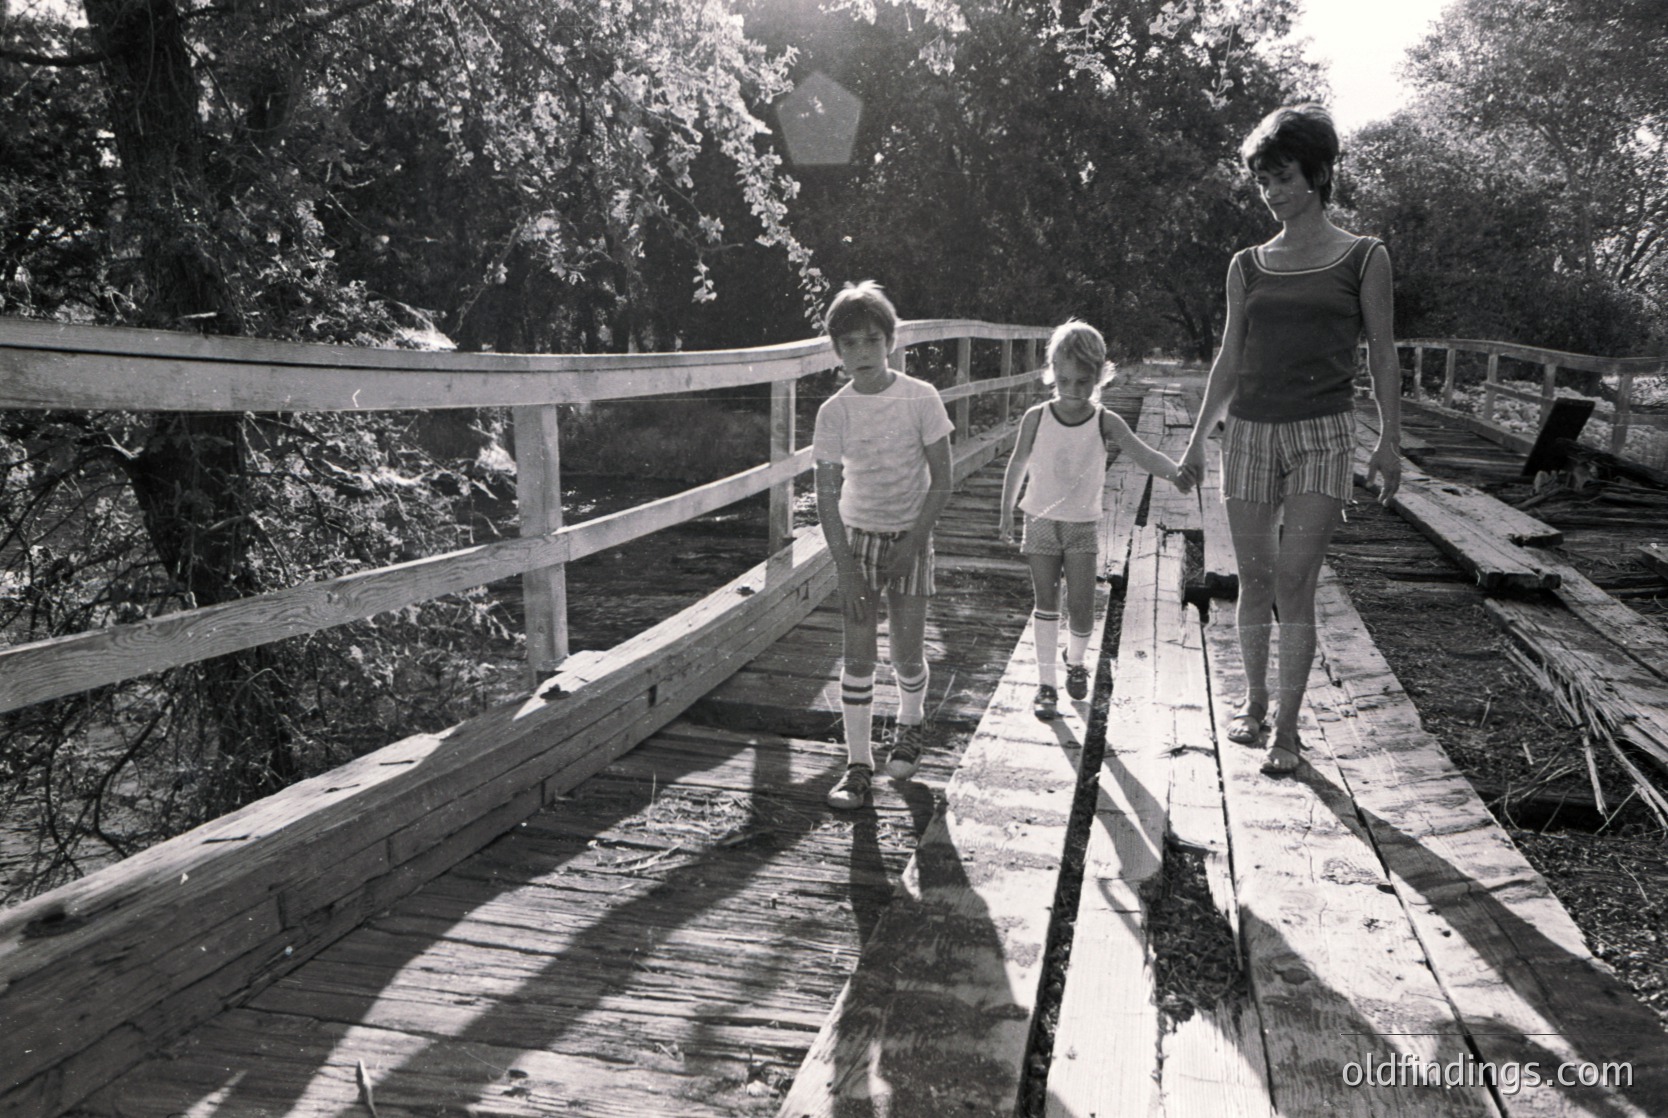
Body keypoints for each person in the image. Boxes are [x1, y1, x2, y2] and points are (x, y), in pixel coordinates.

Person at [1176, 103, 1401, 776]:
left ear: (1319, 174)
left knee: (1296, 581)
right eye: (1262, 181)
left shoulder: (1365, 257)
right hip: (1247, 433)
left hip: (1324, 437)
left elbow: (1382, 355)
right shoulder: (1246, 264)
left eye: (1283, 177)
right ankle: (1253, 706)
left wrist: (1388, 441)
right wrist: (1194, 442)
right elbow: (1227, 359)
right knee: (1254, 577)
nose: (1271, 193)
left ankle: (1291, 732)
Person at [812, 281, 955, 810]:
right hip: (857, 539)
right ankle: (857, 765)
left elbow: (943, 478)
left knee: (907, 654)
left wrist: (913, 543)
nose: (863, 352)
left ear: (891, 341)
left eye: (873, 339)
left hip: (911, 534)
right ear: (837, 353)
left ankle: (911, 725)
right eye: (849, 344)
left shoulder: (921, 397)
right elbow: (826, 495)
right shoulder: (835, 411)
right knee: (857, 656)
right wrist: (845, 569)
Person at [999, 319, 1183, 720]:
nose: (1073, 391)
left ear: (1099, 378)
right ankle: (1046, 684)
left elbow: (1143, 453)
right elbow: (1018, 464)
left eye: (1083, 382)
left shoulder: (1104, 420)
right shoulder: (1037, 416)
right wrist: (1006, 510)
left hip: (1082, 526)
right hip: (1040, 520)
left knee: (1081, 607)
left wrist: (1177, 472)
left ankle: (1076, 660)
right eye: (1064, 380)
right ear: (1051, 372)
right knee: (1046, 603)